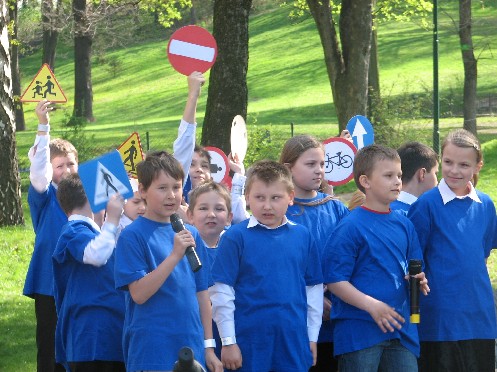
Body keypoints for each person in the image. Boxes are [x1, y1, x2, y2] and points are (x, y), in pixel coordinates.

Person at [323, 144, 429, 372]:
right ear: (365, 181)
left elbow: (414, 267)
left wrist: (418, 278)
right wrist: (372, 306)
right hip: (360, 332)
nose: (397, 181)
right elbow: (335, 280)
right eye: (389, 176)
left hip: (401, 330)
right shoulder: (349, 226)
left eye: (399, 175)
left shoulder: (405, 223)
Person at [114, 151, 223, 372]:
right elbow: (139, 294)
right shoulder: (132, 235)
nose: (171, 195)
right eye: (162, 188)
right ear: (143, 191)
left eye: (176, 187)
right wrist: (174, 256)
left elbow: (202, 294)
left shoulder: (191, 233)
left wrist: (209, 347)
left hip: (190, 342)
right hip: (152, 347)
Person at [210, 160, 324, 371]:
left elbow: (313, 289)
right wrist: (228, 341)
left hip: (292, 340)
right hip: (248, 342)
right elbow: (221, 292)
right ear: (247, 199)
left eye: (276, 198)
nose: (267, 205)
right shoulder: (236, 237)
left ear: (290, 198)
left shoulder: (303, 236)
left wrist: (312, 337)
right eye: (259, 197)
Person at [408, 129, 497, 372]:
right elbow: (414, 260)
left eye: (463, 164)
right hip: (439, 320)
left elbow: (482, 254)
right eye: (448, 162)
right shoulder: (425, 205)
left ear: (478, 166)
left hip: (480, 317)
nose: (454, 170)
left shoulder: (486, 205)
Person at [279, 134, 350, 372]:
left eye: (322, 164)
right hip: (296, 319)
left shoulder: (336, 208)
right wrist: (313, 298)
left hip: (336, 317)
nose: (319, 170)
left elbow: (349, 256)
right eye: (310, 164)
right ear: (289, 168)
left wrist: (333, 291)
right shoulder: (281, 210)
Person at [23, 99, 78, 372]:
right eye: (60, 166)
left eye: (70, 164)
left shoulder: (87, 197)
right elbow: (39, 171)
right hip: (48, 282)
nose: (66, 170)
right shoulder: (44, 197)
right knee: (49, 345)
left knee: (76, 342)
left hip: (79, 278)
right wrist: (43, 126)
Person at [52, 174, 126, 371]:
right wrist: (111, 220)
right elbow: (96, 254)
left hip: (109, 338)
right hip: (91, 339)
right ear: (95, 200)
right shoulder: (74, 230)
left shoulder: (94, 234)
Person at [187, 181, 234, 359]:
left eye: (219, 209)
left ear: (229, 217)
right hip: (195, 331)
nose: (211, 214)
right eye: (203, 208)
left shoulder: (234, 250)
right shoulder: (184, 250)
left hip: (229, 332)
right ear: (190, 215)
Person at [390, 141, 439, 214]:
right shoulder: (418, 214)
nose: (437, 182)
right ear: (422, 174)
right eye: (435, 173)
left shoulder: (385, 208)